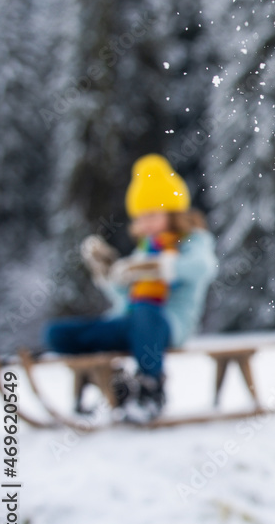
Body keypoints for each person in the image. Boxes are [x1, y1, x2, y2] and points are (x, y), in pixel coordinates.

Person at [45, 154, 217, 422]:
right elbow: (126, 299)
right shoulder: (144, 249)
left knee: (145, 311)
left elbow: (203, 268)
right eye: (142, 217)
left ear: (172, 213)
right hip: (131, 323)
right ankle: (115, 383)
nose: (146, 223)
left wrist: (160, 267)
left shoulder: (193, 242)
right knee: (58, 334)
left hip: (168, 325)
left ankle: (151, 386)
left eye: (152, 214)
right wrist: (108, 276)